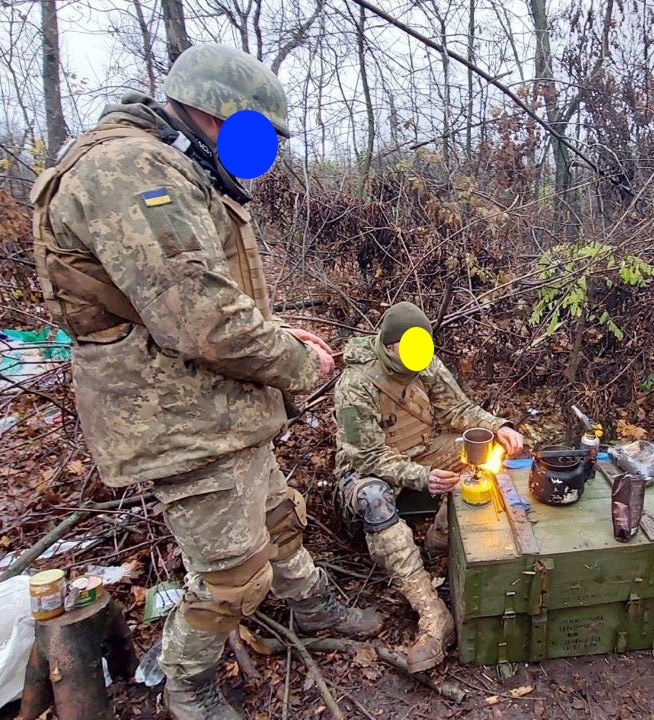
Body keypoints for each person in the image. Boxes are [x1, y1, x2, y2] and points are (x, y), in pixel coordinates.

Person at [30, 44, 383, 720]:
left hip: (216, 405)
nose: (261, 155)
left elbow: (212, 296)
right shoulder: (131, 169)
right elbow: (202, 320)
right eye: (256, 136)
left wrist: (281, 338)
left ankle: (312, 608)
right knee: (232, 577)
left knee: (280, 519)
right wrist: (297, 364)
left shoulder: (172, 164)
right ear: (218, 117)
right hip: (179, 418)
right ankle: (189, 686)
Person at [333, 302, 525, 672]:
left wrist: (498, 425)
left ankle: (439, 539)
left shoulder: (425, 362)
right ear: (389, 346)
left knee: (483, 450)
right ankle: (433, 613)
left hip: (424, 449)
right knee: (375, 500)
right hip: (369, 468)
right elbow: (368, 456)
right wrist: (422, 478)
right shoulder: (356, 385)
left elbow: (457, 409)